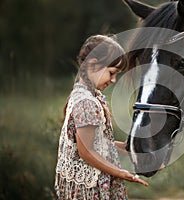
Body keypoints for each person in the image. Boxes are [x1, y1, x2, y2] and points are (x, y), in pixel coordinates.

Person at [54, 34, 148, 200]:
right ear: (92, 65)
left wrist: (132, 149)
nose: (113, 80)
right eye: (112, 73)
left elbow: (99, 144)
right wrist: (120, 173)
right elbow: (86, 152)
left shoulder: (86, 95)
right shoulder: (86, 102)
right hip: (87, 189)